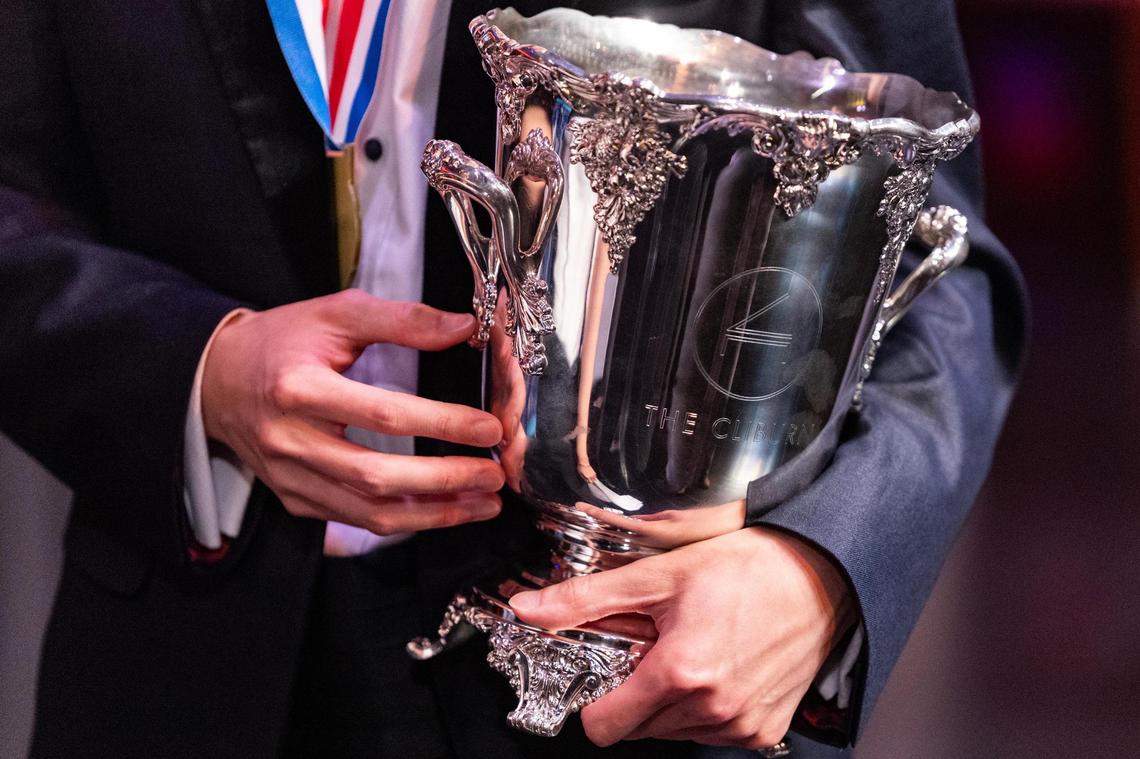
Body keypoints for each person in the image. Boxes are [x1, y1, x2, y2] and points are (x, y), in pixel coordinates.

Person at [0, 0, 1026, 757]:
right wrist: (197, 368)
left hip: (640, 671)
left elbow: (935, 253)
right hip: (178, 666)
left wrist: (820, 570)